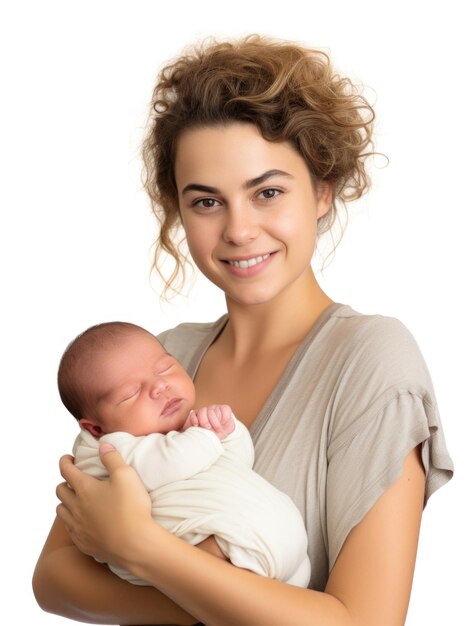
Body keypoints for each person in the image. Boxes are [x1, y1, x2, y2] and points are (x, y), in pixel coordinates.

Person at [33, 34, 454, 626]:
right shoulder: (163, 356)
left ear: (323, 191)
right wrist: (231, 596)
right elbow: (53, 580)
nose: (239, 230)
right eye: (206, 202)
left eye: (268, 193)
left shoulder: (371, 359)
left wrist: (141, 549)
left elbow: (364, 621)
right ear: (180, 211)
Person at [58, 320, 311, 587]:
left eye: (165, 369)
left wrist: (228, 432)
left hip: (282, 553)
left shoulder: (178, 432)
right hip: (219, 548)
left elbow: (237, 464)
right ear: (95, 428)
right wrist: (206, 436)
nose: (160, 387)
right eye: (131, 393)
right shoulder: (110, 449)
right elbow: (168, 464)